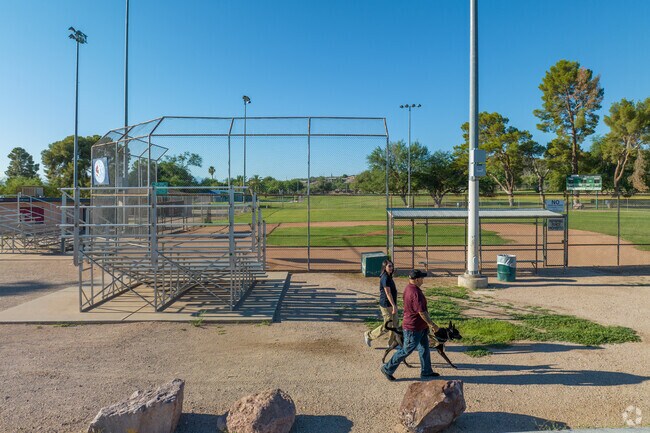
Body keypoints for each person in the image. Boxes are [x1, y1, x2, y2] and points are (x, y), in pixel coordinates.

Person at [381, 269, 440, 381]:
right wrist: (432, 324)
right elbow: (422, 312)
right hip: (413, 328)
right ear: (416, 279)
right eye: (422, 278)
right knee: (406, 350)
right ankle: (387, 368)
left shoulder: (408, 288)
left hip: (419, 326)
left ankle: (426, 371)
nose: (423, 279)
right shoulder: (416, 293)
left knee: (424, 348)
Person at [364, 260, 398, 348]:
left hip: (392, 304)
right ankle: (369, 335)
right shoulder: (385, 278)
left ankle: (391, 344)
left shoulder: (389, 276)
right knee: (388, 325)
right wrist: (394, 305)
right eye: (389, 266)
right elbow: (388, 293)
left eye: (392, 266)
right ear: (384, 267)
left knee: (395, 323)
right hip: (386, 305)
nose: (391, 268)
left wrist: (394, 305)